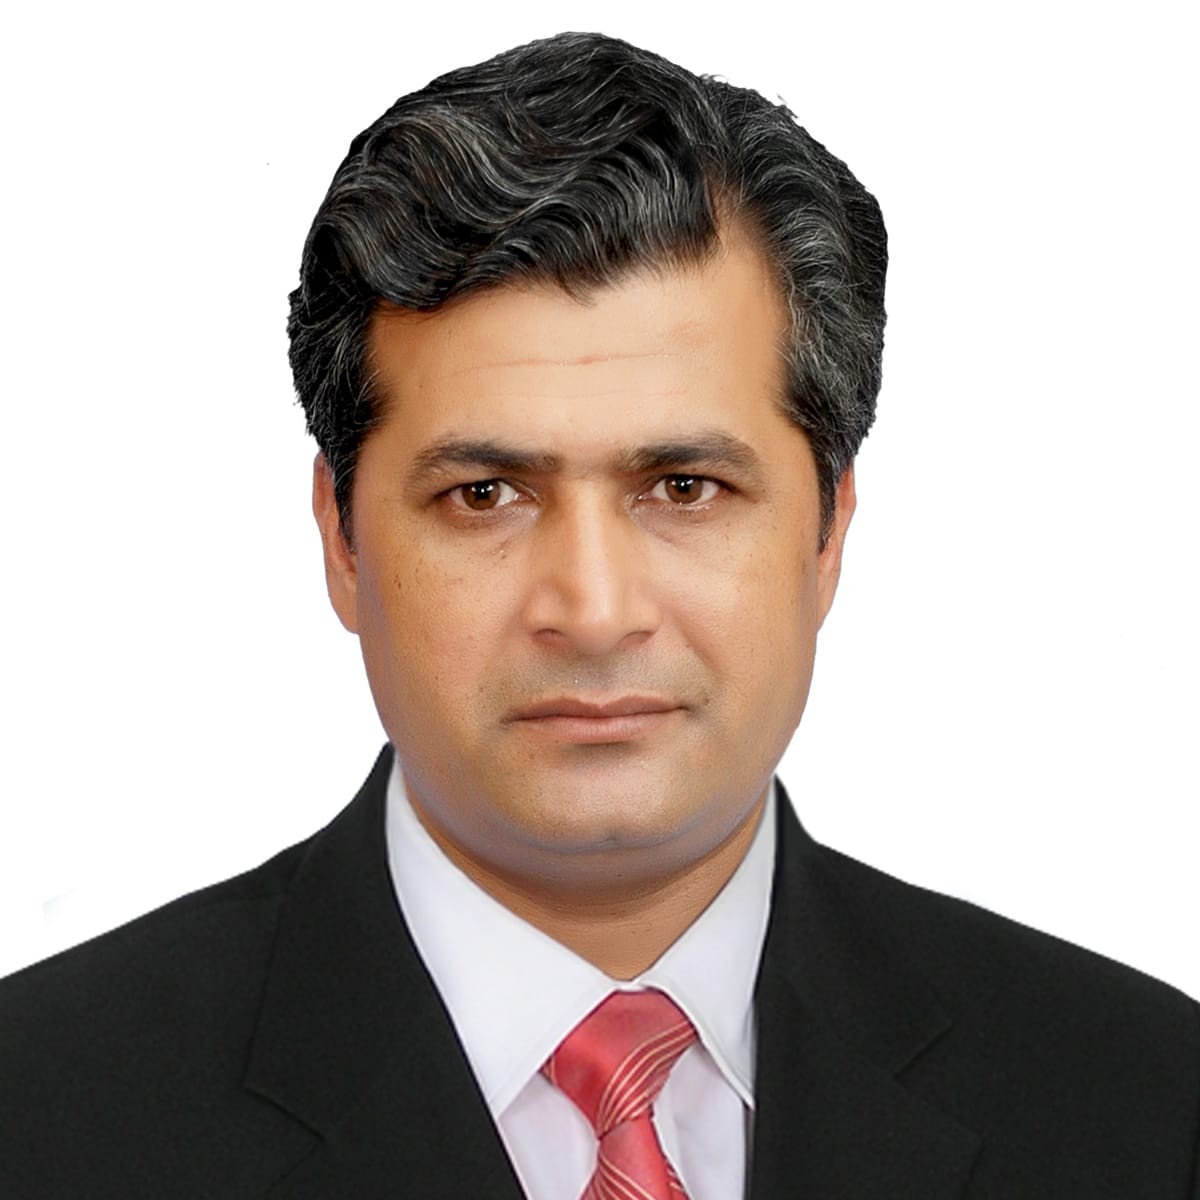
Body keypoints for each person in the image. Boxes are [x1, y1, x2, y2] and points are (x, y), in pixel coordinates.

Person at [1, 30, 1196, 1200]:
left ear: (828, 531)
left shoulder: (1147, 1109)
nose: (593, 610)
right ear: (342, 539)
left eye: (684, 488)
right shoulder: (40, 1116)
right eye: (485, 494)